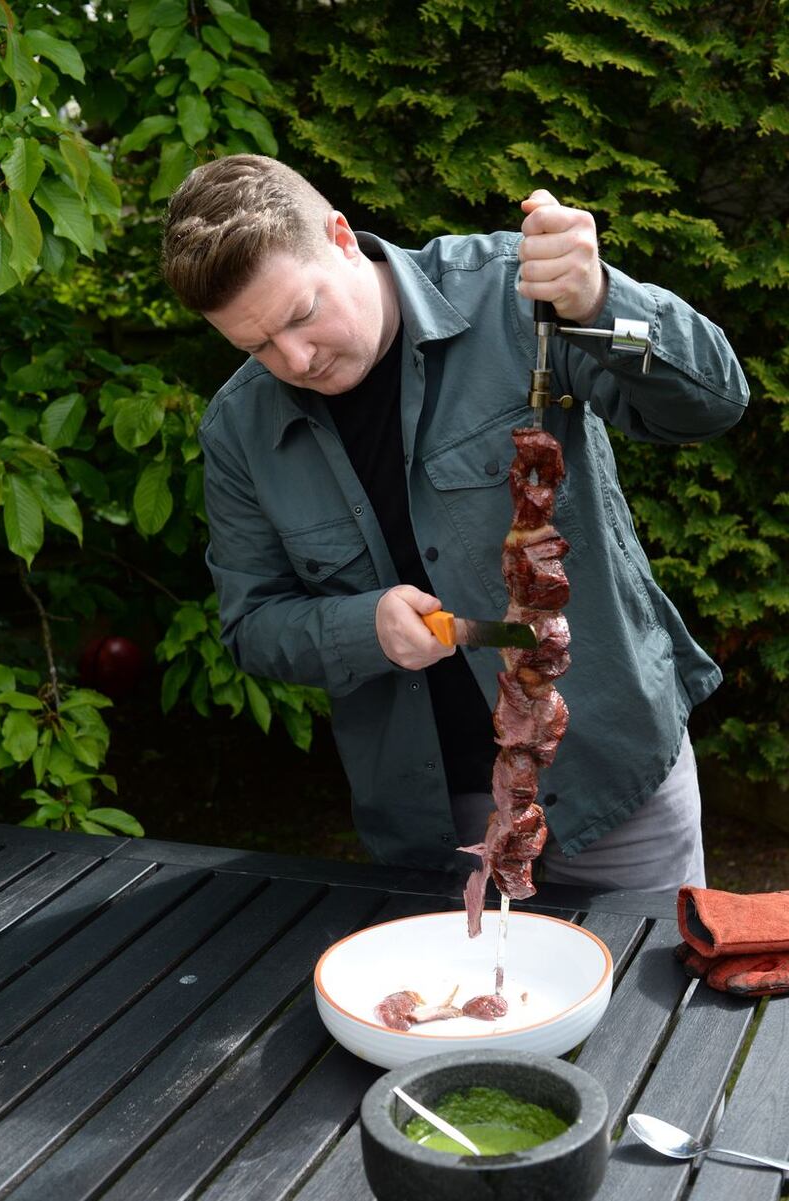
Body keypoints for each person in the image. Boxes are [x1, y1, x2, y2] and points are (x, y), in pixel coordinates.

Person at [161, 155, 749, 891]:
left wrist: (603, 305)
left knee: (642, 1002)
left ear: (342, 237)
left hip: (615, 786)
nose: (296, 358)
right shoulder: (238, 431)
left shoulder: (511, 296)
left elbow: (712, 402)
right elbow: (251, 626)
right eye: (256, 346)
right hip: (435, 825)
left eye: (301, 316)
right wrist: (361, 628)